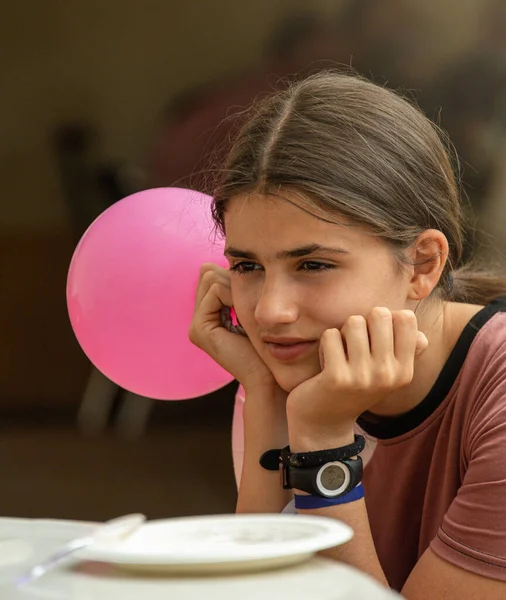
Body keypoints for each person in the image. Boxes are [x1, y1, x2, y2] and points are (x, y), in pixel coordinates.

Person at [189, 71, 506, 598]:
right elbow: (258, 590)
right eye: (247, 266)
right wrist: (266, 397)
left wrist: (323, 445)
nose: (270, 312)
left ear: (423, 265)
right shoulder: (290, 369)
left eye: (312, 264)